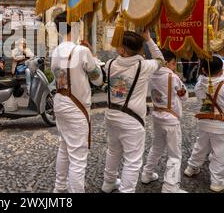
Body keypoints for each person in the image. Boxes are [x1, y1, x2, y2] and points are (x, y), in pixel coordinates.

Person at [102, 30, 164, 193]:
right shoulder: (144, 66)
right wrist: (149, 40)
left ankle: (108, 183)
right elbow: (160, 60)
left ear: (123, 50)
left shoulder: (110, 64)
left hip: (112, 115)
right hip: (132, 120)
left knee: (113, 151)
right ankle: (126, 190)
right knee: (133, 160)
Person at [51, 12, 103, 193]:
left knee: (64, 147)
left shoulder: (55, 51)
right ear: (74, 27)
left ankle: (59, 187)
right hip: (76, 108)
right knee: (78, 158)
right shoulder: (82, 51)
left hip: (60, 103)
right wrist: (94, 57)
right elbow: (97, 79)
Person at [184, 56, 224, 192]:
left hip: (204, 122)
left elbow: (201, 100)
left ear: (204, 70)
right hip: (222, 125)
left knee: (200, 146)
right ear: (222, 69)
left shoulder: (199, 84)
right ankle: (217, 181)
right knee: (221, 154)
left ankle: (191, 168)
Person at [141, 49, 188, 193]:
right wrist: (178, 79)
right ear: (166, 63)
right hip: (171, 119)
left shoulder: (152, 75)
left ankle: (147, 174)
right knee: (174, 154)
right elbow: (184, 96)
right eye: (174, 63)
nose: (174, 66)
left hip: (157, 116)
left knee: (156, 147)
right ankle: (170, 186)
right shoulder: (172, 77)